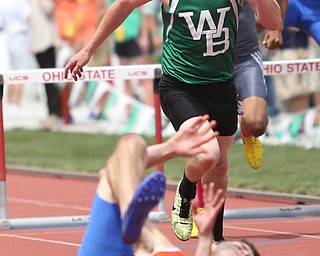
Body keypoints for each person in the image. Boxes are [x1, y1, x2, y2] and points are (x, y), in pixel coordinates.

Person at [63, 0, 283, 243]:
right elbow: (124, 5)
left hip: (221, 85)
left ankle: (214, 240)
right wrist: (88, 50)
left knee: (220, 164)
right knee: (207, 154)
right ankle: (186, 189)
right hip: (180, 86)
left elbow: (274, 22)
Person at [77, 114, 260, 256]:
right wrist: (170, 149)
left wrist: (205, 240)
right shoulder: (170, 251)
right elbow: (119, 163)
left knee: (115, 171)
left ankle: (135, 220)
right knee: (132, 143)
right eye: (243, 247)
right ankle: (130, 214)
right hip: (122, 245)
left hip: (141, 241)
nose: (244, 251)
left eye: (247, 255)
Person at [30, 0, 62, 129]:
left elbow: (49, 9)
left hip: (47, 42)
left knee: (51, 80)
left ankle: (55, 113)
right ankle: (51, 112)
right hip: (38, 42)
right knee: (46, 81)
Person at [0, 0, 32, 117]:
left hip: (8, 36)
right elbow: (29, 17)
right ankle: (15, 104)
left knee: (12, 70)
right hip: (20, 36)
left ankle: (10, 103)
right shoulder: (19, 2)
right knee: (20, 71)